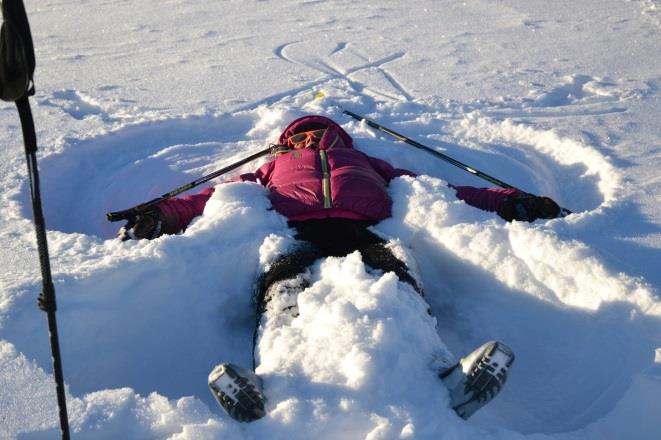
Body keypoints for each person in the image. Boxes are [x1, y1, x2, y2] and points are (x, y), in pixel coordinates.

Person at [119, 115, 561, 422]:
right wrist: (162, 216)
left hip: (362, 229)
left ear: (338, 140)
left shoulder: (368, 163)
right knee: (283, 290)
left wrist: (509, 201)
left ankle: (445, 374)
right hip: (297, 233)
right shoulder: (272, 167)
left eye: (319, 134)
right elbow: (205, 199)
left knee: (397, 281)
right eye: (302, 137)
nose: (310, 140)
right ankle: (267, 385)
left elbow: (439, 189)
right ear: (288, 144)